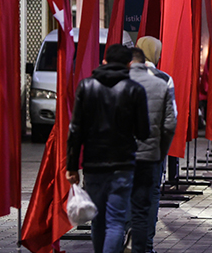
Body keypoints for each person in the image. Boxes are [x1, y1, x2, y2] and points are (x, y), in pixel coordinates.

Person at [66, 44, 150, 253]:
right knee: (116, 221)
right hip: (123, 164)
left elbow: (76, 130)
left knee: (97, 218)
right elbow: (143, 132)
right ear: (129, 64)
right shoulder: (134, 90)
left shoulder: (86, 87)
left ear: (104, 61)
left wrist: (72, 166)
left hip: (93, 164)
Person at [128, 48, 177, 253]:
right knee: (148, 198)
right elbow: (170, 121)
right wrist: (162, 149)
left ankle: (122, 241)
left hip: (121, 152)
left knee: (120, 199)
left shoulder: (117, 79)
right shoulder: (164, 79)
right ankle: (144, 245)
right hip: (151, 153)